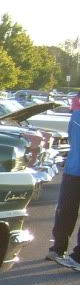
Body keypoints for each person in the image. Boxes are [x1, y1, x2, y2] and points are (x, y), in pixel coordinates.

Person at [46, 93, 80, 270]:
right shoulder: (76, 114)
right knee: (65, 210)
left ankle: (77, 257)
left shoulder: (76, 114)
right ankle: (58, 249)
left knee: (66, 210)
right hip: (73, 170)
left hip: (74, 169)